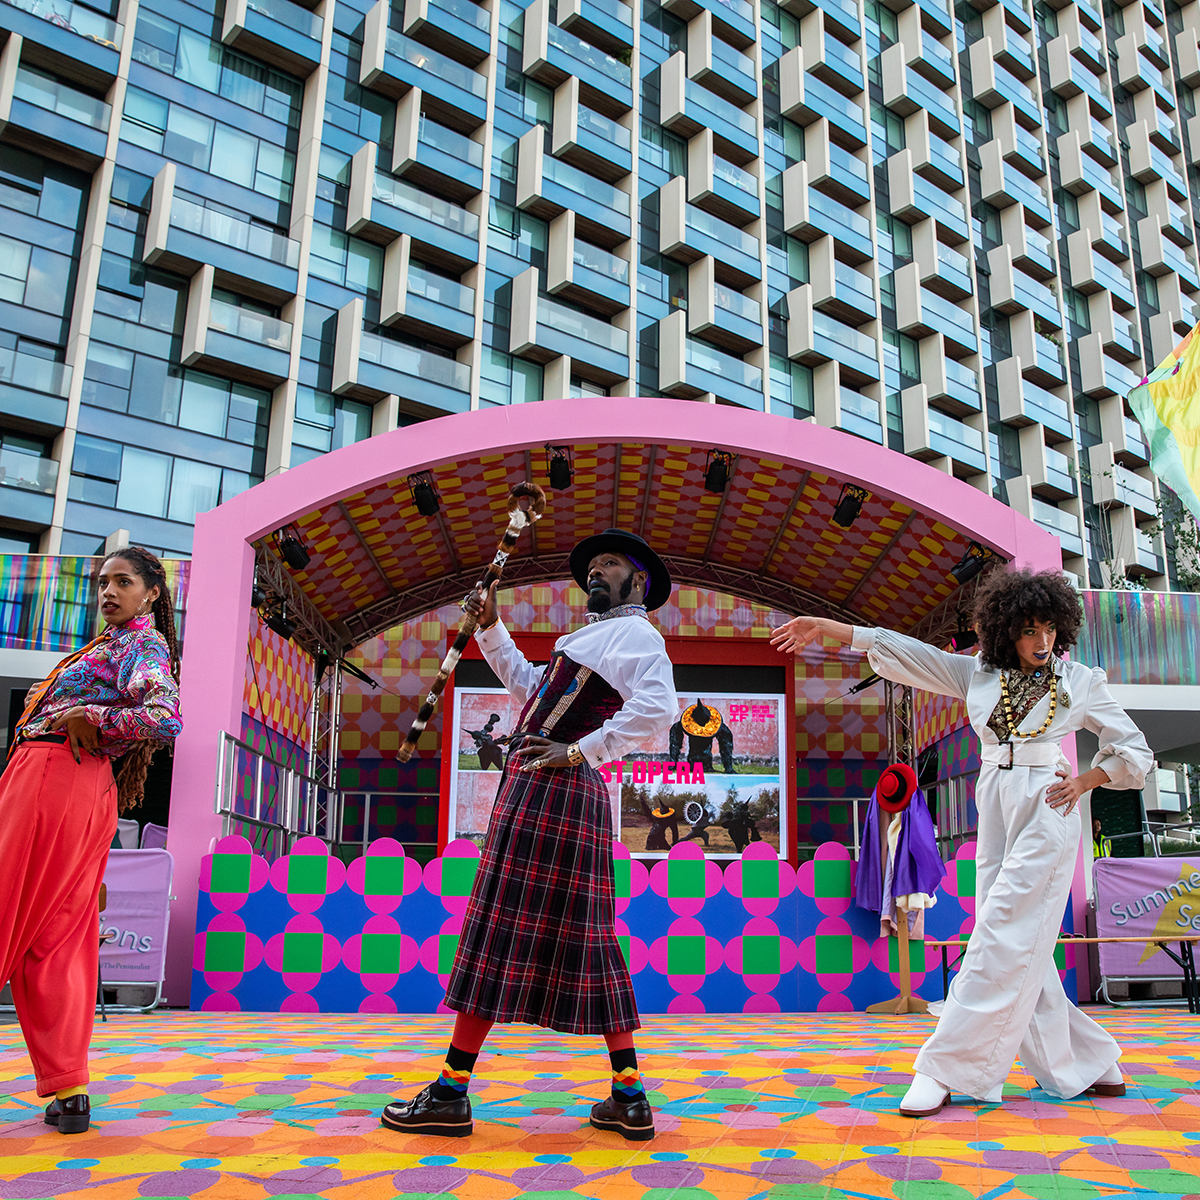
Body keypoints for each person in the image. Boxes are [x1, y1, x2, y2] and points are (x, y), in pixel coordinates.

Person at [771, 567, 1152, 1116]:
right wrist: (828, 627)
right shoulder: (976, 675)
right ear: (1004, 630)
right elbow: (901, 650)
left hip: (1051, 801)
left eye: (1049, 628)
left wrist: (1088, 779)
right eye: (1028, 629)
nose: (1041, 641)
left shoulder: (1080, 680)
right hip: (995, 800)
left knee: (1000, 930)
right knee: (1021, 942)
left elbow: (1133, 749)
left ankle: (943, 1067)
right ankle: (1092, 1063)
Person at [381, 529, 677, 1141]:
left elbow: (659, 707)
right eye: (592, 565)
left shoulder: (637, 634)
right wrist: (490, 626)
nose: (597, 571)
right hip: (549, 792)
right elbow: (527, 688)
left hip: (553, 792)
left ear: (639, 581)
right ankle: (629, 1097)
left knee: (496, 928)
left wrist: (581, 751)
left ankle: (451, 1092)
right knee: (587, 940)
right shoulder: (591, 638)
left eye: (611, 564)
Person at [0, 547, 182, 1133]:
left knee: (7, 908)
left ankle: (68, 1083)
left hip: (54, 778)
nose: (108, 591)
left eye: (123, 582)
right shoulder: (111, 645)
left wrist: (89, 716)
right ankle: (69, 1088)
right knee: (57, 936)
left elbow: (165, 718)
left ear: (152, 592)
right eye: (104, 582)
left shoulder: (140, 645)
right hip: (80, 789)